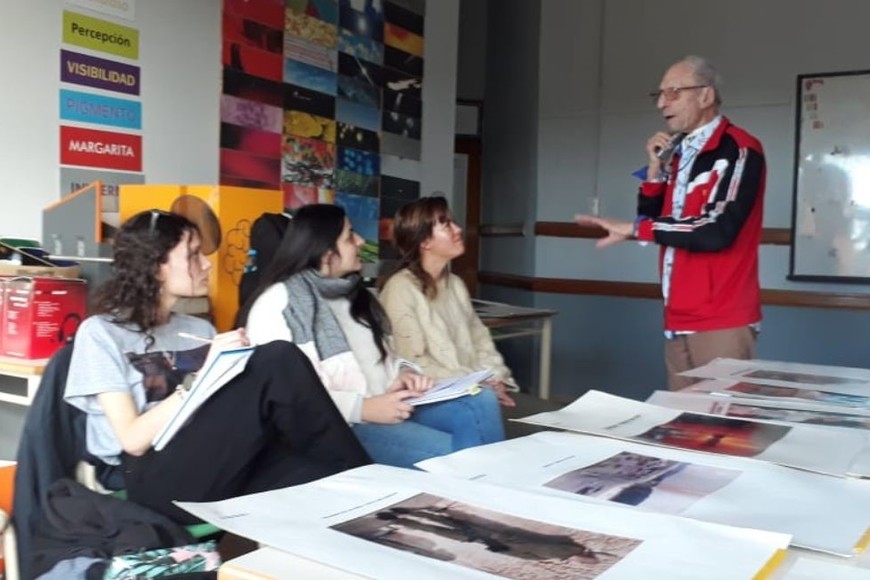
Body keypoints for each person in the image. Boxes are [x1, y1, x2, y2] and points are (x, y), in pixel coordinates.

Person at [64, 209, 370, 524]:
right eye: (193, 255)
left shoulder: (199, 329)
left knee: (327, 482)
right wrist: (203, 376)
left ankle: (370, 490)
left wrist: (236, 366)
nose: (207, 263)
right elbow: (132, 440)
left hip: (213, 458)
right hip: (149, 475)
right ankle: (368, 479)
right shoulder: (101, 333)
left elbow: (220, 412)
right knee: (276, 357)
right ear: (156, 266)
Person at [239, 204, 505, 468]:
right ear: (326, 252)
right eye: (349, 236)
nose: (360, 241)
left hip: (392, 403)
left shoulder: (357, 296)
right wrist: (362, 408)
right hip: (343, 424)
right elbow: (285, 396)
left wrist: (404, 374)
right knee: (454, 457)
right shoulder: (280, 304)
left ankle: (483, 484)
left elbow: (389, 357)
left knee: (481, 401)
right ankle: (483, 484)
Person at [576, 55, 766, 390]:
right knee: (681, 419)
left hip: (720, 316)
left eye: (673, 93)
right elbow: (654, 220)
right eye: (659, 94)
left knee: (722, 420)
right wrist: (655, 171)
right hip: (677, 314)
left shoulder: (738, 149)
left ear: (705, 96)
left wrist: (635, 229)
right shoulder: (678, 153)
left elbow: (717, 231)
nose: (662, 104)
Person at [379, 196, 517, 407]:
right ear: (424, 242)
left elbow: (481, 342)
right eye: (446, 225)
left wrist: (495, 379)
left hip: (474, 390)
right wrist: (476, 383)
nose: (458, 229)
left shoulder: (456, 284)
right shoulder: (400, 288)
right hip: (431, 397)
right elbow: (412, 362)